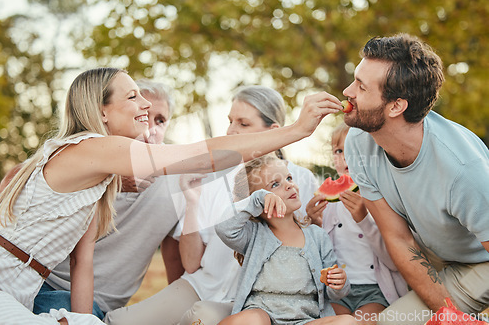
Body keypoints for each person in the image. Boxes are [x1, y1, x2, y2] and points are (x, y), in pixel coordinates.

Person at [0, 67, 343, 324]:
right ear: (101, 112)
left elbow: (84, 264)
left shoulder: (99, 177)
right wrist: (297, 130)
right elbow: (205, 155)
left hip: (17, 287)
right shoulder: (92, 147)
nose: (144, 104)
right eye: (133, 96)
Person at [103, 85, 321, 325]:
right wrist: (192, 203)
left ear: (274, 131)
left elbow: (310, 246)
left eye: (243, 124)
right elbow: (191, 263)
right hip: (200, 286)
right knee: (117, 322)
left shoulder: (300, 180)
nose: (231, 131)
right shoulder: (212, 175)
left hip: (253, 299)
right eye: (230, 121)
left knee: (201, 317)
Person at [340, 34, 489, 324]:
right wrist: (450, 315)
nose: (347, 91)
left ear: (396, 106)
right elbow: (397, 237)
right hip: (435, 255)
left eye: (361, 86)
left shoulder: (464, 171)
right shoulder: (358, 142)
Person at [33, 79, 186, 319]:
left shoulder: (179, 180)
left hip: (91, 302)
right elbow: (10, 184)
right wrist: (111, 180)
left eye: (161, 120)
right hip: (38, 279)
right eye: (143, 116)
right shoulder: (90, 152)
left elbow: (176, 259)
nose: (151, 128)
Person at [215, 154, 356, 325]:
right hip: (263, 316)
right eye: (275, 184)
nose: (289, 185)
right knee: (250, 320)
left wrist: (339, 283)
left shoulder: (316, 235)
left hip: (305, 320)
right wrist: (258, 198)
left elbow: (334, 292)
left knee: (348, 322)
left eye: (289, 178)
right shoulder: (253, 235)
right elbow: (223, 227)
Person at [307, 122, 407, 324]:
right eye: (339, 150)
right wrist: (313, 223)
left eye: (353, 149)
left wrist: (363, 219)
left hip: (374, 291)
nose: (345, 157)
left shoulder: (385, 200)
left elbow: (393, 261)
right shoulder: (326, 204)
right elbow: (315, 256)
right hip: (336, 291)